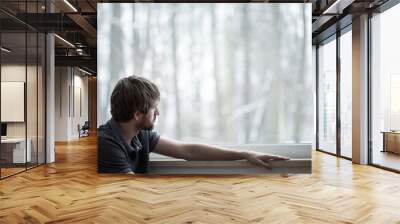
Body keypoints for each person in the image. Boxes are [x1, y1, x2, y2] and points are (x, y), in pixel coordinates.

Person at [97, 75, 289, 174]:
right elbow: (128, 195)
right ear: (137, 114)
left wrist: (244, 154)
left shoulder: (140, 134)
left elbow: (187, 151)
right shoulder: (106, 144)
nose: (158, 113)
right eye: (154, 109)